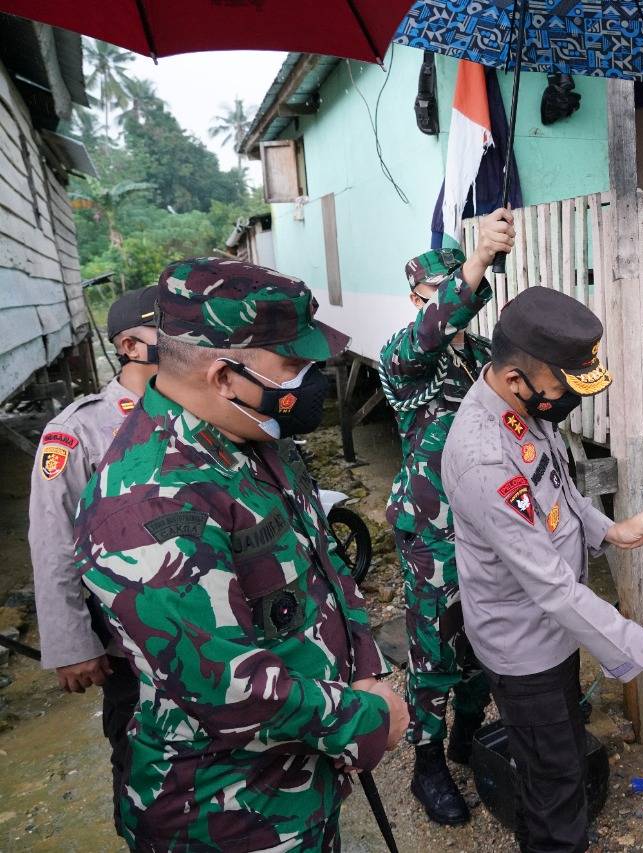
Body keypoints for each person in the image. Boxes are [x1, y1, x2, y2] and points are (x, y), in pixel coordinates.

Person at [74, 259, 409, 851]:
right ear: (224, 375)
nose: (309, 379)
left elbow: (323, 563)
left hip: (304, 778)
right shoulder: (147, 505)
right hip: (224, 813)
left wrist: (362, 667)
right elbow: (224, 687)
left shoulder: (251, 435)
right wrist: (366, 722)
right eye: (292, 365)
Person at [442, 285, 643, 853]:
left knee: (558, 755)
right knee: (556, 781)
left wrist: (610, 529)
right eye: (562, 387)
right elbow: (552, 588)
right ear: (517, 379)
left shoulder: (522, 407)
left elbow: (559, 488)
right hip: (523, 647)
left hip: (554, 635)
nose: (568, 401)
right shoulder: (484, 458)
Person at [378, 209, 514, 825]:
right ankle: (427, 762)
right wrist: (476, 264)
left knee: (483, 637)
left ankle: (467, 730)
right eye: (442, 288)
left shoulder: (487, 355)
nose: (457, 300)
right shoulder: (404, 357)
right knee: (434, 647)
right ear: (417, 297)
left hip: (486, 524)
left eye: (462, 286)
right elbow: (433, 333)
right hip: (432, 532)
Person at [29, 285, 159, 835]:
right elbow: (54, 542)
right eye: (167, 330)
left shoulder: (203, 412)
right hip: (131, 650)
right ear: (131, 345)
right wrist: (72, 645)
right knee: (142, 774)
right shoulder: (78, 431)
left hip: (212, 638)